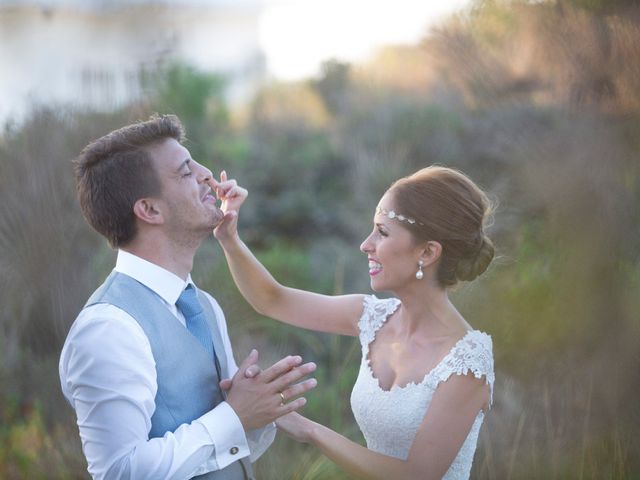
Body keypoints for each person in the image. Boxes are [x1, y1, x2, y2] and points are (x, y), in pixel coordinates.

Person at [59, 114, 317, 480]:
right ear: (149, 209)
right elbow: (118, 472)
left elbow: (228, 452)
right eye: (185, 171)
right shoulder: (108, 328)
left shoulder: (204, 305)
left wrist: (257, 413)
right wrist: (234, 416)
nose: (207, 174)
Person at [213, 166, 495, 479]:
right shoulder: (371, 317)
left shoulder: (467, 362)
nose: (366, 244)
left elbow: (417, 475)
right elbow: (272, 300)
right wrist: (229, 239)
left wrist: (309, 429)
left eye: (382, 232)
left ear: (427, 252)